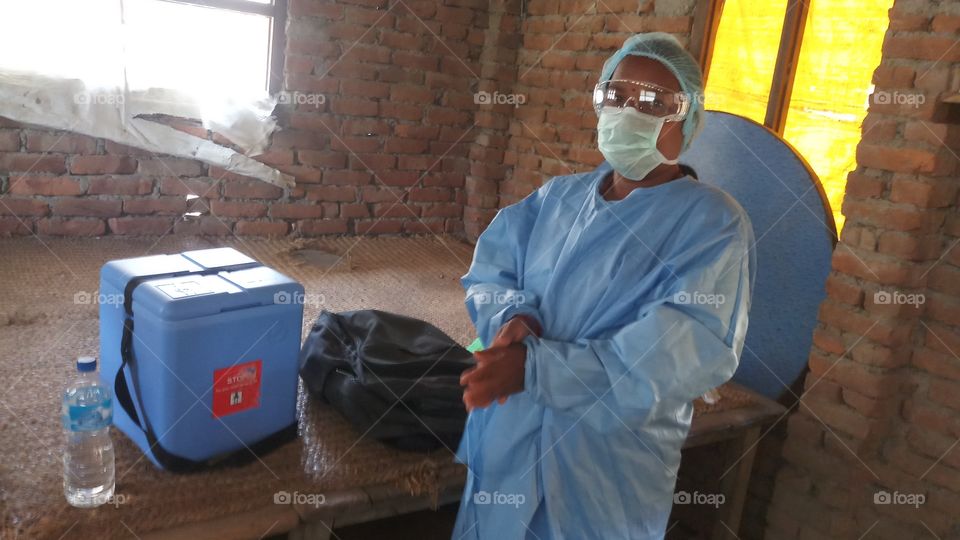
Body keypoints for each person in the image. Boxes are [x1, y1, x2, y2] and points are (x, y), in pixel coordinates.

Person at [453, 32, 757, 540]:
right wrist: (512, 319)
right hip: (511, 433)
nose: (629, 112)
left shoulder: (713, 224)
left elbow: (675, 354)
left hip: (603, 465)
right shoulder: (559, 197)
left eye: (656, 102)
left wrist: (537, 369)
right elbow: (493, 269)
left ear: (690, 119)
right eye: (616, 96)